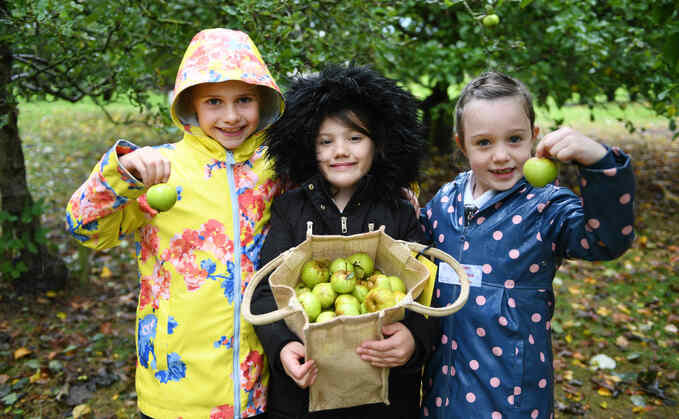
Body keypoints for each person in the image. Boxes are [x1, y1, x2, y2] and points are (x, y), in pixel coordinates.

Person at [65, 28, 285, 418]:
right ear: (190, 106)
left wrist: (393, 189)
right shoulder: (158, 170)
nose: (231, 116)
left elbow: (335, 198)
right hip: (175, 386)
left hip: (259, 380)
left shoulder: (276, 168)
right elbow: (85, 229)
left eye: (245, 100)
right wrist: (121, 174)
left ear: (264, 101)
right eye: (214, 101)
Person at [419, 71, 636, 419]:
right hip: (443, 388)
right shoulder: (447, 200)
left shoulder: (546, 208)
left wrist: (598, 162)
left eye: (515, 139)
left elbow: (605, 240)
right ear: (463, 145)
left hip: (511, 394)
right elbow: (412, 245)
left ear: (534, 138)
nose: (501, 156)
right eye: (484, 143)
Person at [250, 64, 438, 419]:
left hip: (383, 395)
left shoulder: (397, 210)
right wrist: (284, 347)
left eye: (355, 138)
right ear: (309, 147)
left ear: (379, 143)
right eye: (326, 141)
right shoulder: (291, 209)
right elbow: (263, 293)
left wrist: (414, 340)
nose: (340, 151)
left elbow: (426, 290)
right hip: (304, 396)